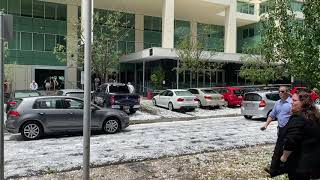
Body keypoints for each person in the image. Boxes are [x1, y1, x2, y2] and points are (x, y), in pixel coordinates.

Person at [280, 92, 320, 179]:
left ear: (303, 102)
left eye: (294, 100)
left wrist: (284, 157)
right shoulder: (314, 116)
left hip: (298, 163)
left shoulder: (298, 118)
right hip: (311, 161)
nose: (291, 102)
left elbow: (291, 140)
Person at [261, 86, 292, 177]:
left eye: (282, 91)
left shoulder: (292, 103)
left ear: (287, 92)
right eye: (279, 91)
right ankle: (273, 170)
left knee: (288, 149)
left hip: (290, 130)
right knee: (277, 150)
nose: (280, 93)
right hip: (281, 129)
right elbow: (272, 114)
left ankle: (284, 169)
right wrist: (266, 124)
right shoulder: (277, 103)